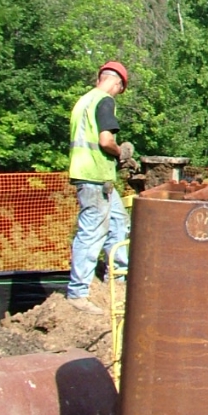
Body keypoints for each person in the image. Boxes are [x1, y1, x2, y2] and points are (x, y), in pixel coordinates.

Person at [67, 61, 134, 312]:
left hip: (96, 177)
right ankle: (78, 293)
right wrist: (121, 154)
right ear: (116, 83)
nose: (118, 92)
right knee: (92, 230)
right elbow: (106, 140)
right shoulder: (104, 101)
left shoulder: (82, 102)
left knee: (118, 222)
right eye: (120, 88)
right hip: (94, 176)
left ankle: (117, 281)